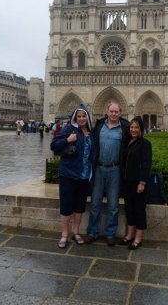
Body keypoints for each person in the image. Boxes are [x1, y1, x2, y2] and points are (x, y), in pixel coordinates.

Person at [50, 104, 95, 249]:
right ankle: (64, 234)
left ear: (87, 118)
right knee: (66, 204)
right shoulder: (68, 129)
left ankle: (76, 232)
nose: (81, 119)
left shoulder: (91, 132)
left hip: (84, 175)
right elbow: (54, 145)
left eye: (84, 116)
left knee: (79, 205)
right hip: (68, 173)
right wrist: (68, 140)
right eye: (79, 117)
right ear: (75, 118)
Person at [85, 102, 129, 246]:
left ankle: (110, 234)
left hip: (115, 169)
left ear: (120, 113)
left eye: (116, 112)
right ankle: (92, 232)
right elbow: (88, 142)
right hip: (99, 169)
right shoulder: (98, 126)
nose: (114, 114)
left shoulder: (124, 128)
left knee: (113, 205)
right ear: (107, 111)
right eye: (112, 111)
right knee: (95, 202)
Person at [119, 116, 152, 250]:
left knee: (139, 210)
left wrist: (142, 182)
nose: (133, 130)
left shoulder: (145, 144)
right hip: (127, 182)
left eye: (136, 127)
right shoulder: (127, 142)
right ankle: (129, 235)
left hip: (138, 183)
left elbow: (146, 164)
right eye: (131, 127)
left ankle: (138, 239)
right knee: (129, 209)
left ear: (141, 129)